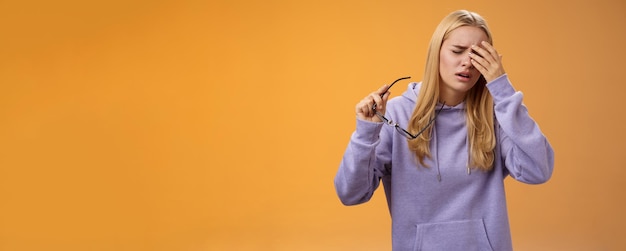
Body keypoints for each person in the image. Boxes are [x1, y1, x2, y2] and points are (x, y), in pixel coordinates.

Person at [334, 10, 554, 251]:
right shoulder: (396, 114)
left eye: (479, 55)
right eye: (457, 51)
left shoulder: (496, 115)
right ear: (436, 53)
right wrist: (366, 133)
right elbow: (350, 194)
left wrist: (502, 90)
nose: (468, 62)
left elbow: (538, 170)